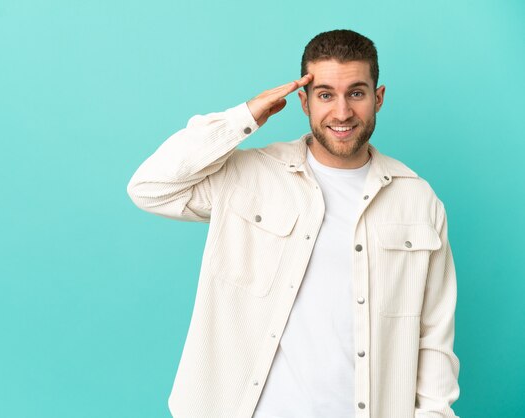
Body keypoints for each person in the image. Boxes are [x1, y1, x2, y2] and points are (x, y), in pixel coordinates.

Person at [127, 29, 460, 418]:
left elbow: (434, 337)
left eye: (356, 92)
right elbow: (150, 188)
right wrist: (243, 117)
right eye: (325, 95)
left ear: (378, 98)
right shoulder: (250, 177)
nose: (341, 112)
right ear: (303, 101)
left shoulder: (417, 201)